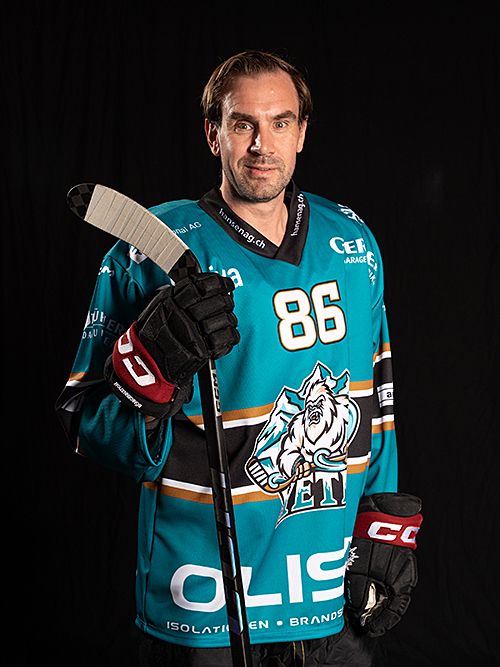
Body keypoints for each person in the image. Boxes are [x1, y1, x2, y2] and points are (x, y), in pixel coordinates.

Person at [56, 49, 423, 667]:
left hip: (328, 596)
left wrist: (383, 528)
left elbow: (378, 401)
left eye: (280, 123)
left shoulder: (353, 241)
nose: (261, 144)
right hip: (204, 602)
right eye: (242, 124)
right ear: (214, 133)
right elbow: (86, 423)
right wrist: (151, 365)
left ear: (302, 133)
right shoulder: (150, 251)